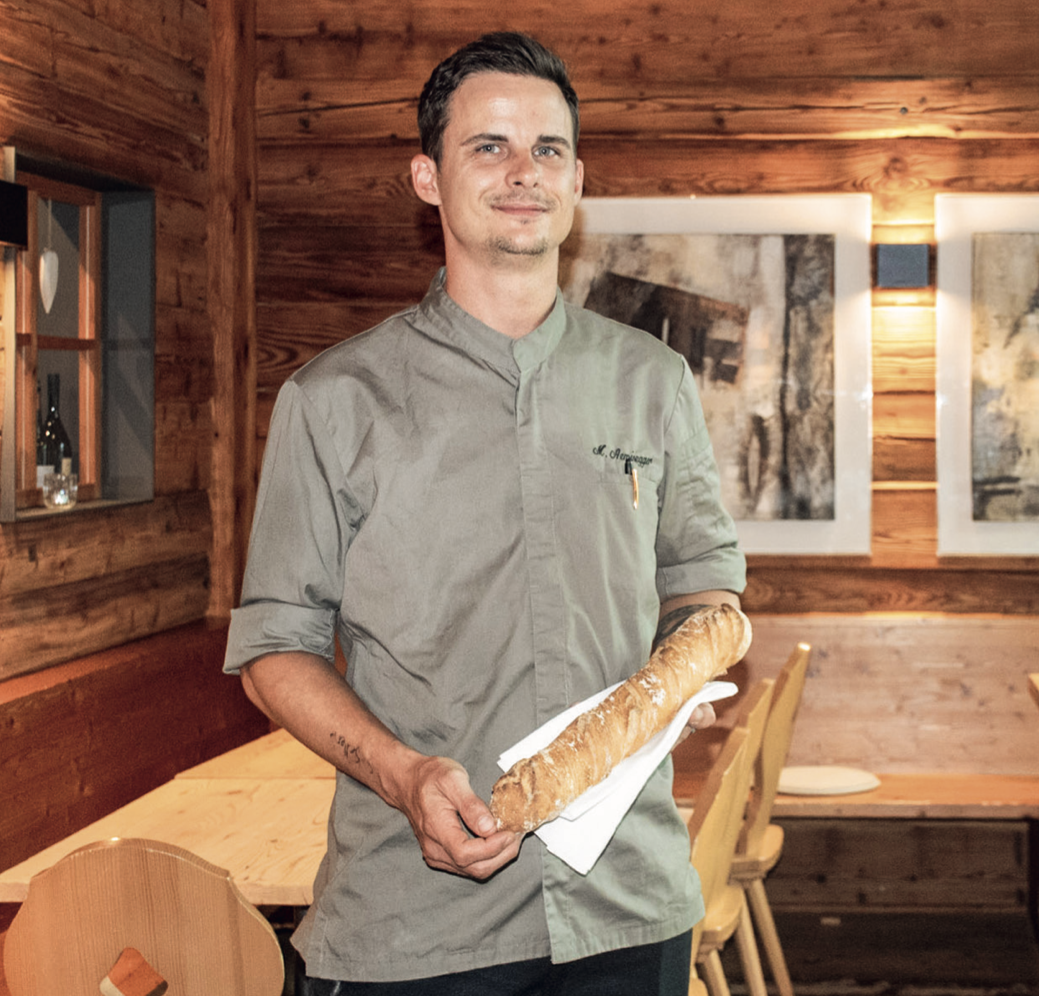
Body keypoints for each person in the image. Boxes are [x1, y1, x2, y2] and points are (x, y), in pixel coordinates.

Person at [224, 31, 746, 994]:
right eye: (488, 146)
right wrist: (403, 775)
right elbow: (273, 650)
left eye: (548, 149)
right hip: (417, 923)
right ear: (428, 178)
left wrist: (670, 685)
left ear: (577, 180)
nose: (523, 172)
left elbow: (705, 591)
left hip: (629, 903)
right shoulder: (334, 401)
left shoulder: (654, 381)